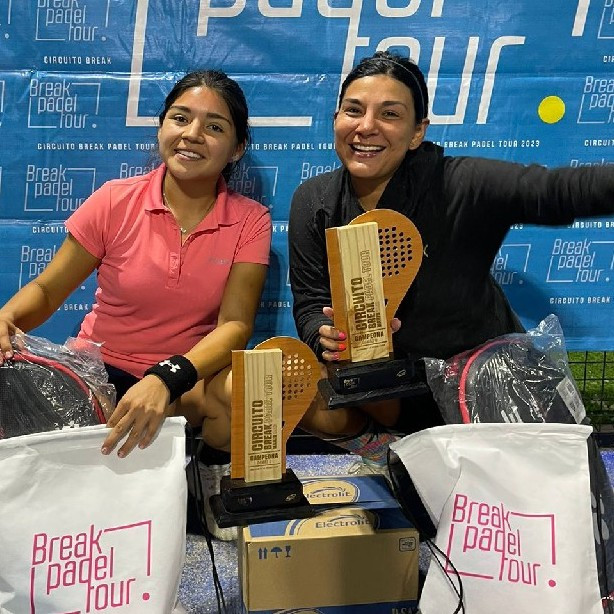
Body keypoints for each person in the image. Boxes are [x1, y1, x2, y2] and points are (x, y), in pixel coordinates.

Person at [288, 51, 614, 475]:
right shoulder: (315, 200)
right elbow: (310, 303)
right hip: (387, 393)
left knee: (528, 499)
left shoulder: (459, 184)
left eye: (390, 114)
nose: (366, 126)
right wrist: (325, 336)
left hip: (483, 389)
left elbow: (553, 191)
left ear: (417, 132)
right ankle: (387, 454)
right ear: (336, 119)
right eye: (354, 110)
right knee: (290, 382)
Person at [0, 69, 272, 539]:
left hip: (184, 380)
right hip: (99, 373)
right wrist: (6, 317)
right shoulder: (114, 200)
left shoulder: (251, 220)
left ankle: (209, 483)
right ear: (161, 126)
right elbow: (46, 291)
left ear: (237, 147)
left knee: (242, 389)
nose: (192, 134)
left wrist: (166, 378)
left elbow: (235, 325)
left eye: (214, 126)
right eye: (180, 118)